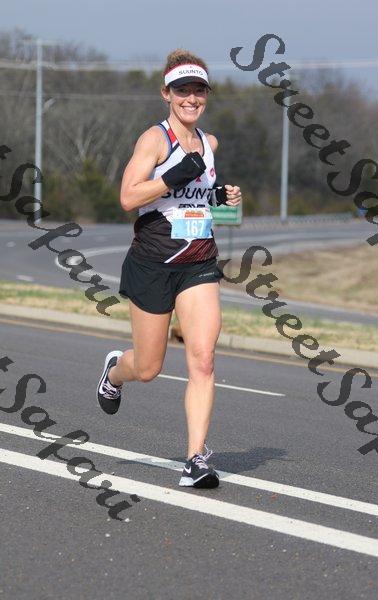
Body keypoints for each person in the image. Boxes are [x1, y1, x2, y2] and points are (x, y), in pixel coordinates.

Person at [96, 49, 242, 488]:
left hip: (198, 263)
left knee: (204, 359)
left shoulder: (210, 144)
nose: (191, 98)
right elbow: (128, 197)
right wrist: (170, 177)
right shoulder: (155, 141)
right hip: (153, 264)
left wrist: (222, 197)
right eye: (182, 90)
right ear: (166, 94)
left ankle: (196, 460)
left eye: (199, 90)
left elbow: (195, 202)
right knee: (148, 368)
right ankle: (114, 371)